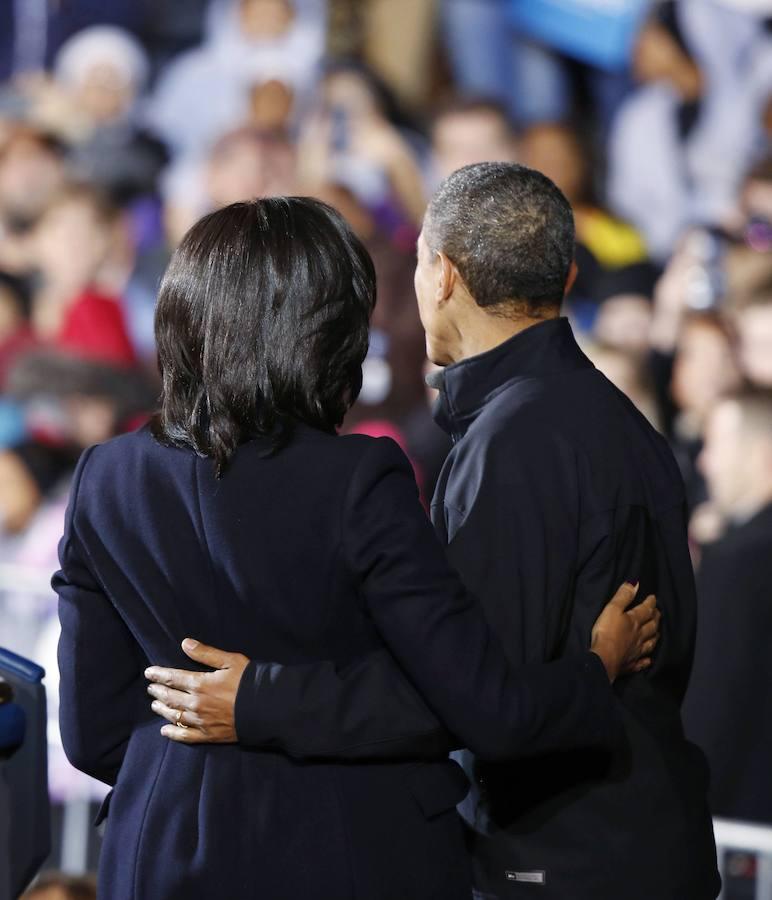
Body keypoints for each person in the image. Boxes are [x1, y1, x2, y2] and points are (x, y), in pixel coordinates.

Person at [55, 197, 657, 900]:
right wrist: (598, 664)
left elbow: (92, 733)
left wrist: (196, 768)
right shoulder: (357, 480)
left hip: (156, 853)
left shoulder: (105, 477)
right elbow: (483, 708)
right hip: (345, 855)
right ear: (330, 334)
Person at [682, 389, 772, 825]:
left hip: (741, 820)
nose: (704, 463)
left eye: (716, 445)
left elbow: (713, 709)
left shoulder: (737, 564)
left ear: (761, 456)